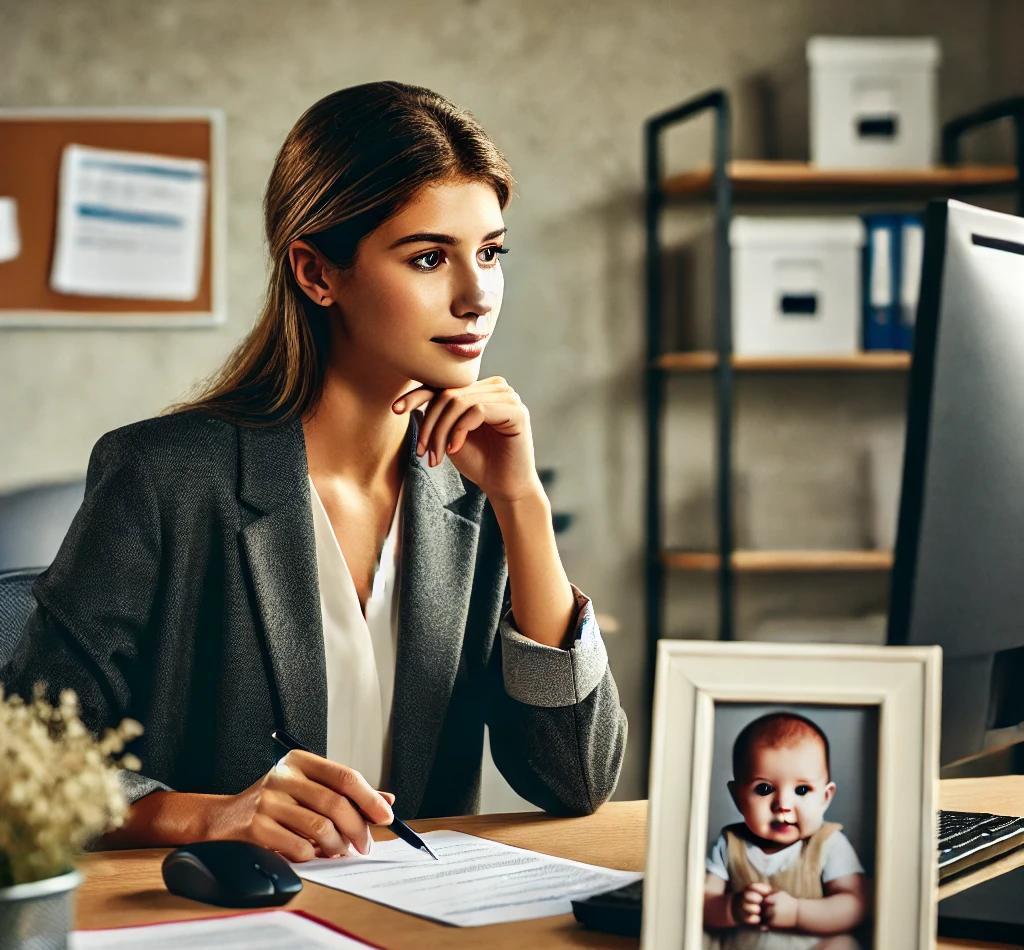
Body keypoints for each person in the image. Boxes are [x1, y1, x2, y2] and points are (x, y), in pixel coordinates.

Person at [1, 82, 626, 862]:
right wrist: (210, 816)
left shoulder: (481, 491)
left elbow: (575, 775)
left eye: (491, 252)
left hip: (415, 929)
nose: (476, 296)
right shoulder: (162, 476)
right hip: (206, 928)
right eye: (430, 257)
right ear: (316, 272)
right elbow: (30, 760)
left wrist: (520, 501)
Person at [703, 712, 868, 950]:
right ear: (738, 797)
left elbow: (855, 904)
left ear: (825, 797)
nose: (783, 804)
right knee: (694, 937)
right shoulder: (729, 844)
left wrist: (797, 913)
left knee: (846, 946)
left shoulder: (829, 843)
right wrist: (732, 908)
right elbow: (703, 903)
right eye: (764, 788)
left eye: (802, 790)